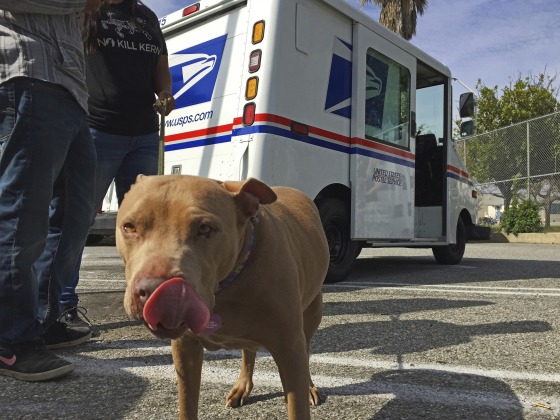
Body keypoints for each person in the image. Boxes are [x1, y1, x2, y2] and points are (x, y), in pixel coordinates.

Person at [0, 0, 102, 382]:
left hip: (71, 91)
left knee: (73, 217)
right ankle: (11, 340)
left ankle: (43, 321)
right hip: (29, 73)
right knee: (22, 213)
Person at [59, 0, 175, 324]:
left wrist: (166, 92)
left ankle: (147, 297)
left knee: (147, 226)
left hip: (144, 134)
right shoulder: (88, 8)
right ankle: (62, 306)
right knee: (76, 222)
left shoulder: (148, 18)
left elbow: (160, 69)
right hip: (96, 129)